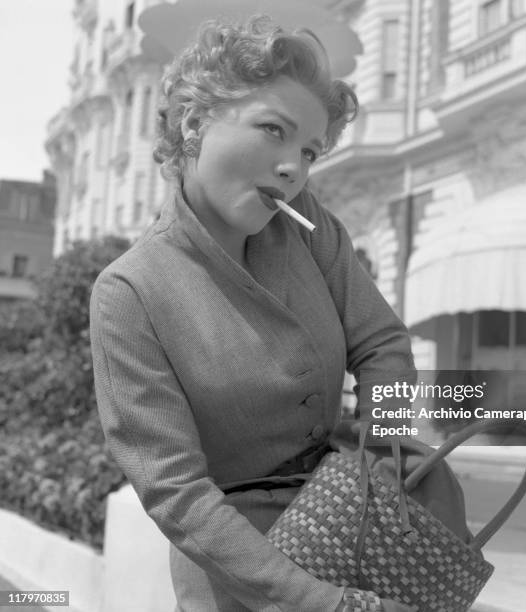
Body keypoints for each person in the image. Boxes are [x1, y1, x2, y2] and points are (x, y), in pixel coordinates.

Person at [90, 15, 416, 612]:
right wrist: (324, 601)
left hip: (353, 527)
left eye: (310, 151)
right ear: (194, 122)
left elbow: (383, 345)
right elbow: (176, 493)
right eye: (273, 130)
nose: (294, 168)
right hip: (241, 577)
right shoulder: (130, 292)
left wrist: (385, 467)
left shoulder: (312, 227)